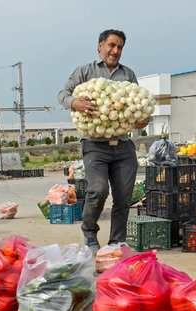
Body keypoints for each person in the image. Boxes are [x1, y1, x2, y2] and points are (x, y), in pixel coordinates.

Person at [58, 29, 150, 252]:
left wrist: (142, 120)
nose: (115, 51)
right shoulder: (84, 71)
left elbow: (139, 106)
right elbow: (63, 94)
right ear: (100, 46)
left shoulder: (128, 74)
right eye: (111, 45)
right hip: (94, 145)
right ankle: (89, 231)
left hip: (123, 145)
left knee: (124, 196)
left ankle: (116, 241)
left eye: (119, 47)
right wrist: (74, 103)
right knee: (98, 190)